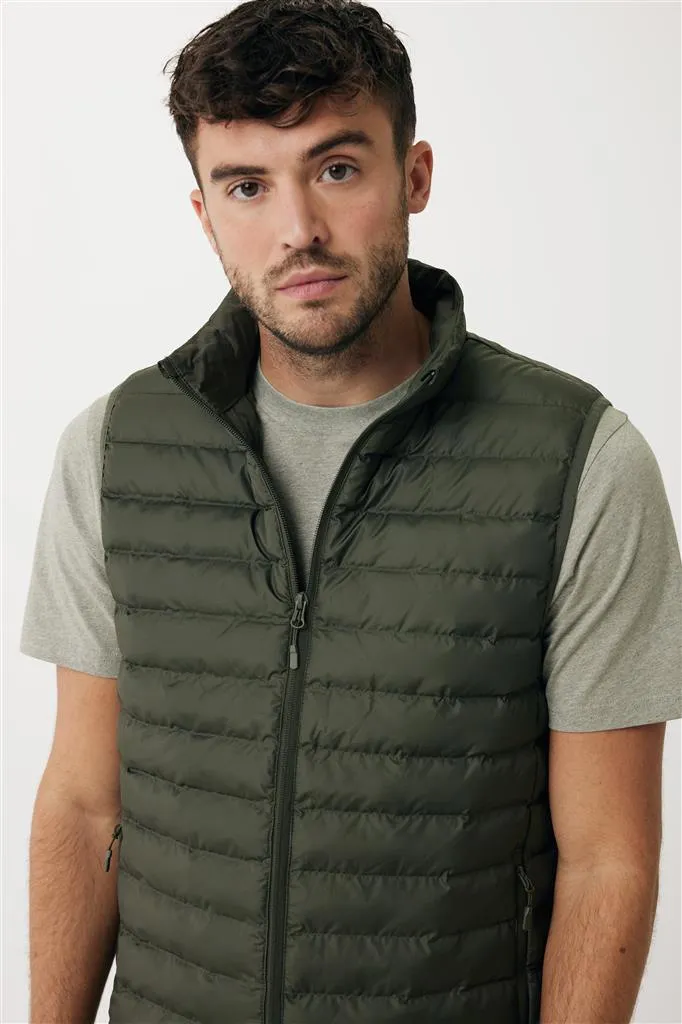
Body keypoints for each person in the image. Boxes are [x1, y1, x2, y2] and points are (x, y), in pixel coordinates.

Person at [20, 1, 681, 1022]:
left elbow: (608, 859)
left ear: (414, 176)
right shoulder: (115, 450)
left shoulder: (581, 462)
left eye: (336, 168)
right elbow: (82, 803)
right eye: (247, 186)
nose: (298, 231)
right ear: (203, 213)